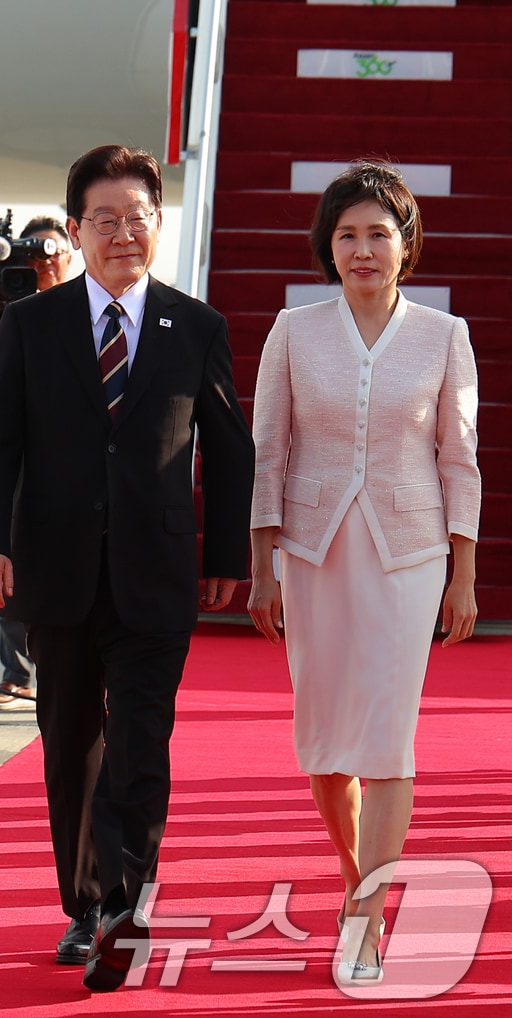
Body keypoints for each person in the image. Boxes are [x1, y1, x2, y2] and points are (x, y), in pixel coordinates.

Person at [0, 144, 254, 992]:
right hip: (53, 572)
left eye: (138, 218)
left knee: (139, 741)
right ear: (77, 228)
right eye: (105, 220)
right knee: (70, 746)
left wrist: (226, 555)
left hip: (155, 572)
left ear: (158, 223)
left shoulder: (195, 326)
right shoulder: (33, 324)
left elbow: (228, 448)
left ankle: (128, 908)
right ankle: (84, 905)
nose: (123, 234)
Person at [248, 160, 480, 984]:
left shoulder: (444, 336)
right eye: (346, 235)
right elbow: (268, 451)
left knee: (387, 741)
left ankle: (368, 916)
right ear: (329, 246)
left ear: (405, 244)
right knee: (325, 746)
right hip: (313, 553)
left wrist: (463, 573)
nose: (362, 250)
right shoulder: (293, 330)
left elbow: (460, 459)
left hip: (410, 554)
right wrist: (262, 564)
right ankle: (356, 878)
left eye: (378, 234)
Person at [0, 216, 74, 713]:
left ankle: (64, 670)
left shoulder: (89, 311)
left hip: (70, 469)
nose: (42, 265)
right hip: (19, 466)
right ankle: (17, 674)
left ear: (71, 256)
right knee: (11, 564)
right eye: (33, 256)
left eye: (51, 255)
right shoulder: (10, 312)